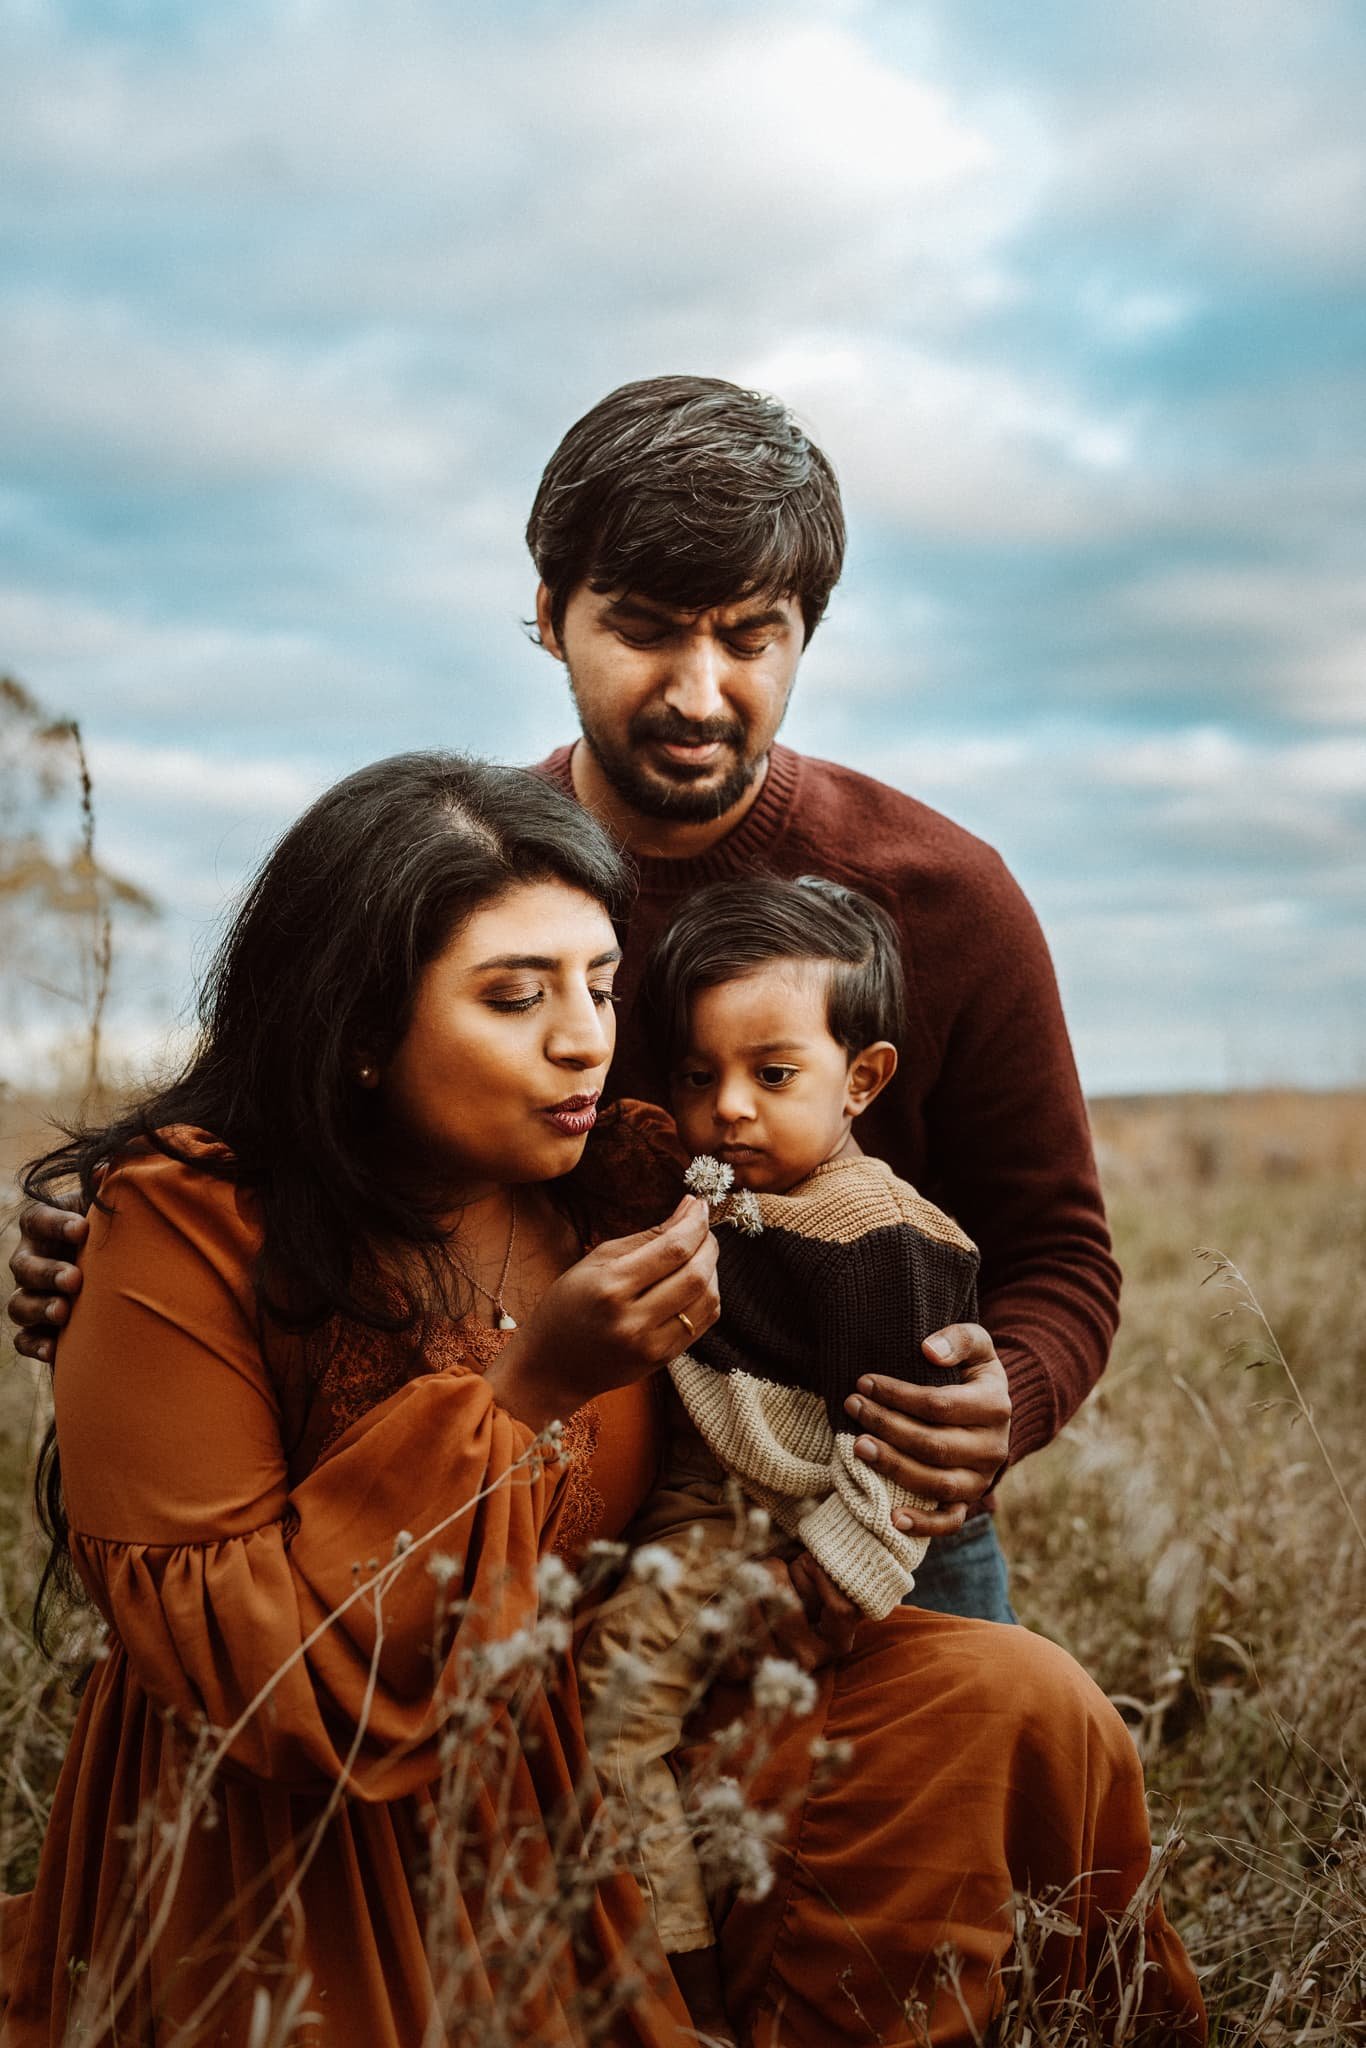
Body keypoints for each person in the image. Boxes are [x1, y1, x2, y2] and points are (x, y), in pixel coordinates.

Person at [0, 752, 1207, 2045]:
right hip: (336, 1816)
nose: (585, 1036)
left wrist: (967, 1383)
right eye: (515, 998)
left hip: (607, 1725)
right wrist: (527, 1389)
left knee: (1008, 1696)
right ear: (356, 1030)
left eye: (597, 984)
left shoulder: (611, 1177)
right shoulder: (187, 1220)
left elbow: (903, 1206)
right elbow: (254, 1684)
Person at [14, 374, 1119, 1624]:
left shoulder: (945, 898)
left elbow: (1062, 1251)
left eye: (751, 636)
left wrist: (1001, 1400)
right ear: (549, 612)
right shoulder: (455, 879)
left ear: (807, 630)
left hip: (880, 1517)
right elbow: (285, 1139)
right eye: (645, 628)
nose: (701, 691)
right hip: (548, 1509)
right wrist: (124, 1254)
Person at [576, 874, 982, 2045]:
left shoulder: (875, 1235)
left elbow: (904, 1441)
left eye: (774, 1074)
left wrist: (824, 1586)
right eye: (699, 1076)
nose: (729, 1110)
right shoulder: (731, 1196)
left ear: (863, 1080)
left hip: (773, 1524)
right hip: (690, 1505)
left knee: (615, 1712)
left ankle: (680, 1997)